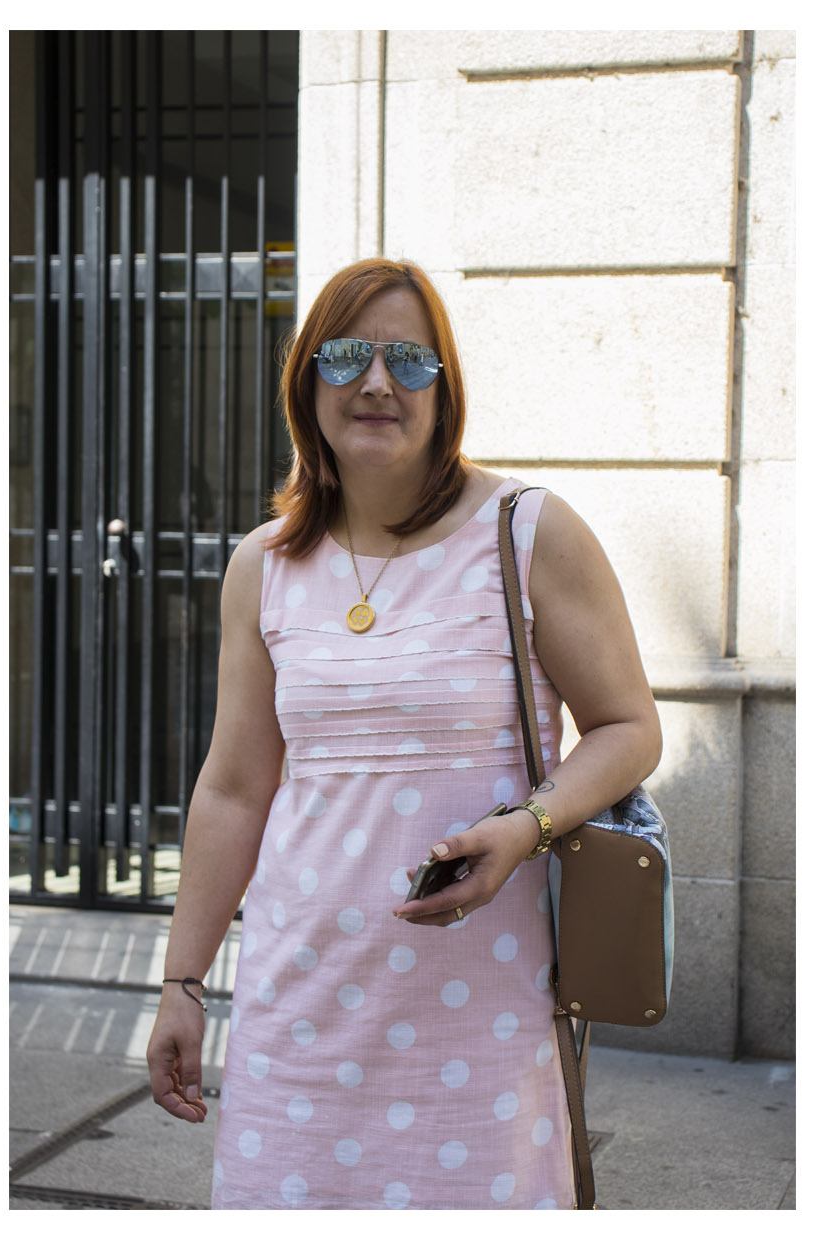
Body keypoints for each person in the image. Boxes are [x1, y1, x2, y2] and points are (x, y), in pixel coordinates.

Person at [144, 257, 661, 1208]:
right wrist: (182, 980)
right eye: (346, 355)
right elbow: (233, 786)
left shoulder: (524, 532)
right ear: (306, 380)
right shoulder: (263, 564)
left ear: (443, 390)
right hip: (296, 1004)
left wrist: (528, 828)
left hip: (482, 1009)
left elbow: (628, 728)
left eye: (409, 362)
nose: (376, 382)